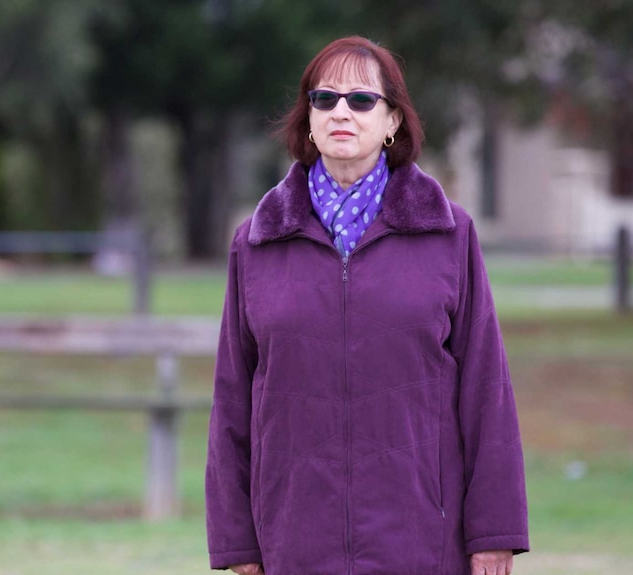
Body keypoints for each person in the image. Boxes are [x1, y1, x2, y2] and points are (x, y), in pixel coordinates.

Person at [205, 36, 529, 575]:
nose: (340, 112)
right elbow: (233, 401)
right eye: (324, 98)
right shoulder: (257, 242)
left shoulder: (449, 234)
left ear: (392, 121)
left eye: (360, 100)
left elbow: (486, 392)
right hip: (294, 541)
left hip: (422, 541)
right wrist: (237, 543)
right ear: (307, 119)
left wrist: (494, 534)